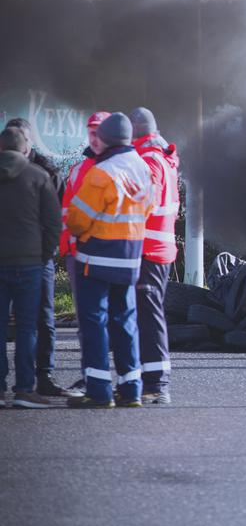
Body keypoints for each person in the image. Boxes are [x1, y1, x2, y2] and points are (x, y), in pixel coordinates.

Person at [65, 113, 153, 408]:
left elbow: (77, 220)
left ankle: (99, 391)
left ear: (106, 139)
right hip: (130, 260)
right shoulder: (143, 168)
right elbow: (148, 209)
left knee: (94, 324)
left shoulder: (101, 173)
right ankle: (132, 390)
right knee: (126, 322)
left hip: (96, 258)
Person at [2, 118, 79, 398]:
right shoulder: (41, 175)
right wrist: (44, 254)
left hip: (34, 260)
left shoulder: (47, 171)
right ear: (25, 145)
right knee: (29, 325)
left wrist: (45, 255)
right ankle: (26, 387)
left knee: (41, 320)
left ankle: (41, 377)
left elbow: (54, 220)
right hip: (34, 260)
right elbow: (54, 221)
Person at [129, 107, 180, 405]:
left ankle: (156, 385)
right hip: (158, 249)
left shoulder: (148, 161)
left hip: (148, 250)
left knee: (148, 317)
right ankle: (148, 380)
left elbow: (143, 205)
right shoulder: (161, 157)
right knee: (147, 316)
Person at [60, 112, 110, 392]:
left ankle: (127, 380)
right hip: (80, 255)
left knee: (119, 318)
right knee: (88, 321)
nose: (94, 137)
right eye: (91, 131)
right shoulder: (78, 170)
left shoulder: (122, 166)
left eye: (99, 131)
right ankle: (92, 376)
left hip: (113, 253)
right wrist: (68, 248)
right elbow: (67, 212)